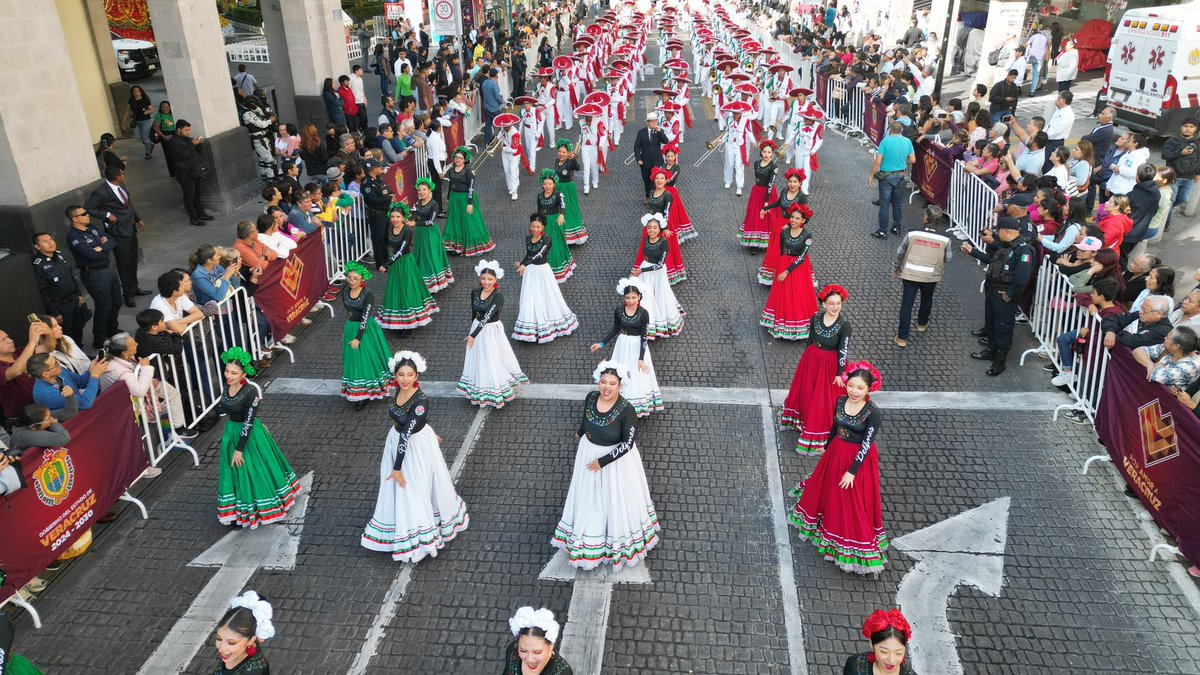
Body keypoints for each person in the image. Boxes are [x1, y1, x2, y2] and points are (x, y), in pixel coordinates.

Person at [551, 360, 661, 569]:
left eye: (612, 383)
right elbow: (586, 419)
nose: (606, 387)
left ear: (620, 385)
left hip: (614, 462)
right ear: (598, 382)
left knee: (615, 498)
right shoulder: (591, 397)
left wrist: (601, 462)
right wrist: (581, 432)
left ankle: (614, 538)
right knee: (588, 495)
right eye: (603, 382)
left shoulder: (627, 410)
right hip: (588, 453)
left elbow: (627, 444)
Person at [361, 350, 469, 562]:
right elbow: (412, 422)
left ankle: (420, 537)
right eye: (401, 374)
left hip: (414, 447)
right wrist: (429, 430)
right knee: (411, 488)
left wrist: (397, 468)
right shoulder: (401, 390)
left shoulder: (420, 402)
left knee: (414, 488)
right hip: (401, 441)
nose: (405, 379)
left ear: (417, 375)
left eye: (409, 375)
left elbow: (407, 433)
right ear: (395, 375)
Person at [789, 362, 888, 575]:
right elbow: (834, 427)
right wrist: (826, 446)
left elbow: (867, 443)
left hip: (858, 459)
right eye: (851, 385)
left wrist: (852, 471)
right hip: (836, 451)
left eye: (860, 388)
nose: (854, 391)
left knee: (851, 498)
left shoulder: (873, 413)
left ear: (869, 389)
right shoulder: (840, 401)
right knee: (830, 487)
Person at [216, 348, 301, 527]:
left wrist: (239, 449)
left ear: (244, 374)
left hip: (248, 436)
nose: (228, 375)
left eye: (234, 373)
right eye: (227, 371)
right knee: (235, 473)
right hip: (231, 432)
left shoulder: (250, 393)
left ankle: (256, 508)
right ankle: (238, 511)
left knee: (252, 470)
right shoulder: (227, 387)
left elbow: (248, 422)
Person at [782, 284, 851, 452]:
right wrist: (806, 358)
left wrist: (839, 374)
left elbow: (843, 349)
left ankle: (820, 430)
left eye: (838, 303)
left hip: (830, 365)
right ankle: (803, 420)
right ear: (824, 304)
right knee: (807, 391)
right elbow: (810, 339)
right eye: (831, 303)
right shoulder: (815, 318)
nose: (835, 307)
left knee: (823, 398)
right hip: (812, 359)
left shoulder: (845, 325)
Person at [964, 218, 1035, 376]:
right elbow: (992, 260)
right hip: (993, 290)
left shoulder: (1023, 250)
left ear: (1005, 231)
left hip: (1004, 294)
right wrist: (973, 252)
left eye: (998, 231)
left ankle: (1000, 362)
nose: (996, 234)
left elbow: (1022, 277)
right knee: (992, 322)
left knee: (1003, 326)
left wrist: (1009, 294)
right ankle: (991, 351)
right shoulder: (1007, 246)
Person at [458, 260, 528, 408]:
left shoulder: (498, 296)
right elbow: (474, 314)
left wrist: (473, 335)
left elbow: (487, 317)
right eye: (483, 278)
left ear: (495, 279)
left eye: (489, 279)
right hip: (476, 328)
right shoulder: (475, 292)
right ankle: (480, 386)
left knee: (491, 358)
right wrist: (472, 331)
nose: (486, 282)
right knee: (479, 358)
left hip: (490, 331)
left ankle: (495, 389)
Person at [97, 332, 193, 440]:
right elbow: (139, 391)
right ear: (125, 353)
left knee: (172, 396)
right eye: (133, 344)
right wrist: (146, 368)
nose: (137, 344)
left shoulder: (114, 355)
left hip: (134, 393)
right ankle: (174, 431)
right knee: (167, 404)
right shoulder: (120, 372)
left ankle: (175, 429)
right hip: (129, 404)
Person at [589, 279, 663, 417]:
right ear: (624, 297)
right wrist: (602, 343)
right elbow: (615, 329)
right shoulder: (618, 310)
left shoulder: (644, 313)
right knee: (621, 374)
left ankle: (636, 405)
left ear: (639, 297)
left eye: (634, 297)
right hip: (622, 345)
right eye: (628, 297)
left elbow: (644, 336)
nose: (631, 301)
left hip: (637, 346)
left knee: (637, 375)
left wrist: (641, 358)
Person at [337, 262, 397, 410]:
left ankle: (365, 393)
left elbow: (365, 317)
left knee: (366, 358)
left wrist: (358, 338)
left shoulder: (368, 294)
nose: (351, 281)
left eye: (355, 279)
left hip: (365, 330)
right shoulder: (345, 291)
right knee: (353, 359)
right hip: (350, 327)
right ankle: (357, 389)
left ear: (362, 280)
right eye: (349, 278)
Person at [512, 214, 579, 343]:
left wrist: (525, 264)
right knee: (530, 297)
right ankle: (531, 327)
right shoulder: (528, 238)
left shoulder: (546, 240)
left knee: (547, 296)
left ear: (543, 227)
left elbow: (539, 255)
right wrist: (521, 263)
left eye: (538, 227)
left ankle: (546, 323)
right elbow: (529, 255)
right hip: (530, 272)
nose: (535, 229)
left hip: (543, 272)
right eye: (533, 226)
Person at [892, 207, 953, 347]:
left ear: (925, 218)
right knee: (927, 299)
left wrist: (896, 268)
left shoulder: (912, 233)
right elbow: (948, 258)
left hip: (910, 274)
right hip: (931, 275)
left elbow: (900, 252)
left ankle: (902, 337)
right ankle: (922, 324)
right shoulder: (945, 238)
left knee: (907, 304)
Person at [65, 205, 122, 348]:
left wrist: (101, 247)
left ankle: (112, 329)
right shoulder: (74, 237)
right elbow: (92, 256)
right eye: (84, 214)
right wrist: (104, 249)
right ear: (75, 218)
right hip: (95, 274)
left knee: (116, 301)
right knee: (104, 306)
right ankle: (99, 339)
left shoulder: (91, 227)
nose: (87, 215)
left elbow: (111, 240)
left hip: (108, 269)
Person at [761, 204, 818, 340]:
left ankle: (796, 324)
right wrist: (780, 267)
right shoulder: (784, 232)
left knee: (797, 294)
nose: (793, 220)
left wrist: (786, 271)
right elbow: (781, 250)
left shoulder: (807, 236)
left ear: (803, 220)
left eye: (797, 218)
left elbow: (802, 257)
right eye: (792, 217)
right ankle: (781, 320)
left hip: (798, 268)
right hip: (783, 264)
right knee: (782, 294)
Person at [630, 213, 685, 338]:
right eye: (649, 228)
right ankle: (645, 323)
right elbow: (644, 256)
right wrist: (640, 269)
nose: (652, 230)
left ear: (660, 229)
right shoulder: (646, 240)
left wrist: (641, 270)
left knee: (658, 295)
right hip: (645, 271)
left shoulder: (664, 243)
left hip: (657, 274)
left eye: (655, 228)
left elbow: (660, 264)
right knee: (646, 296)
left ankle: (655, 322)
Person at [32, 232, 87, 345]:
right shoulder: (38, 264)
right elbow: (43, 292)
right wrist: (54, 313)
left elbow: (71, 277)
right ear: (37, 246)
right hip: (61, 306)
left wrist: (79, 294)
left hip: (74, 300)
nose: (50, 242)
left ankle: (80, 351)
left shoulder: (59, 256)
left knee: (78, 329)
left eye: (50, 239)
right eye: (45, 241)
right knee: (66, 335)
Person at [443, 146, 497, 256]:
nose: (458, 160)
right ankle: (455, 246)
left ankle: (471, 245)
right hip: (454, 198)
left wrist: (469, 203)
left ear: (465, 159)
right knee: (455, 221)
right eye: (456, 157)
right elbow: (451, 184)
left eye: (460, 158)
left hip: (465, 198)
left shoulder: (468, 171)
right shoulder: (451, 169)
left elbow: (471, 188)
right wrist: (448, 197)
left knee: (468, 221)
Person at [640, 169, 686, 284]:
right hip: (652, 224)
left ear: (666, 181)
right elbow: (650, 209)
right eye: (657, 178)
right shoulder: (651, 193)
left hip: (663, 225)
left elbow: (666, 213)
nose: (659, 180)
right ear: (654, 180)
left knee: (663, 250)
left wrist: (663, 228)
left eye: (662, 178)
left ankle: (666, 274)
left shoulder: (668, 195)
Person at [869, 123, 915, 239]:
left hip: (886, 176)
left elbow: (878, 161)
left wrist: (871, 175)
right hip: (900, 175)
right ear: (901, 130)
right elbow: (913, 160)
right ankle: (896, 227)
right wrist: (902, 161)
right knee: (897, 203)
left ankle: (882, 231)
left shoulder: (885, 142)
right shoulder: (907, 142)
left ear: (890, 131)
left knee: (884, 204)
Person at [410, 178, 455, 292]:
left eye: (424, 189)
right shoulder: (418, 202)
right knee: (421, 256)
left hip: (430, 234)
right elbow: (416, 214)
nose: (421, 192)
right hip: (420, 233)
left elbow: (431, 221)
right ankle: (423, 280)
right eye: (419, 190)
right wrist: (409, 218)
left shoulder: (434, 204)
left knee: (430, 256)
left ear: (430, 190)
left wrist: (415, 223)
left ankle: (434, 282)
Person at [214, 591, 274, 674]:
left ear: (251, 640)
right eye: (219, 638)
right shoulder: (235, 654)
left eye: (231, 643)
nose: (221, 648)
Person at [534, 170, 578, 282]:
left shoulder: (558, 195)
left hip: (556, 222)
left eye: (549, 184)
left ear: (554, 184)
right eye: (545, 184)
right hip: (545, 224)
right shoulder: (539, 196)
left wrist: (561, 215)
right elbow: (539, 210)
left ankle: (558, 266)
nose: (547, 186)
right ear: (542, 184)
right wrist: (538, 224)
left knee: (556, 244)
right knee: (544, 244)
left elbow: (563, 206)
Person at [167, 120, 214, 226]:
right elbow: (184, 155)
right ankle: (193, 218)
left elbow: (195, 153)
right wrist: (193, 144)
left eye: (189, 130)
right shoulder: (173, 141)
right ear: (179, 130)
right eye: (186, 130)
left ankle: (201, 213)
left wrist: (198, 144)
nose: (188, 132)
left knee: (197, 193)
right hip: (183, 172)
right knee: (189, 195)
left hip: (194, 170)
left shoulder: (188, 139)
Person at [844, 609, 917, 675]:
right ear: (871, 644)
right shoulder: (854, 666)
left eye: (898, 653)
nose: (891, 660)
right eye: (884, 652)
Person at [503, 607, 573, 675]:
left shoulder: (563, 672)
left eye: (537, 652)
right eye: (523, 651)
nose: (530, 659)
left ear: (550, 646)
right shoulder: (512, 651)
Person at [739, 141, 780, 249]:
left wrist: (766, 202)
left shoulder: (774, 167)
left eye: (769, 152)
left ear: (772, 154)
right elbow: (757, 179)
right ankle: (754, 242)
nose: (766, 154)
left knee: (768, 217)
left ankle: (768, 241)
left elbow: (770, 184)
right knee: (754, 214)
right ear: (761, 152)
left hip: (768, 193)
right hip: (756, 192)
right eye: (764, 151)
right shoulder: (756, 163)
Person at [1133, 326, 1200, 389]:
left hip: (1164, 396)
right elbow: (1138, 351)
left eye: (1167, 338)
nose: (1165, 338)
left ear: (1176, 346)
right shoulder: (1169, 347)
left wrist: (1158, 364)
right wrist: (1149, 363)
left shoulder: (1190, 366)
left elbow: (1156, 376)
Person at [1162, 117, 1200, 222]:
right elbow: (1165, 155)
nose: (1188, 129)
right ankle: (1166, 222)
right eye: (1186, 126)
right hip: (1174, 177)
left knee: (1183, 199)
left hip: (1189, 178)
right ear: (1181, 127)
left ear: (1195, 128)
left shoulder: (1198, 142)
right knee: (1171, 200)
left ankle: (1163, 211)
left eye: (1191, 127)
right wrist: (1180, 153)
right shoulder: (1172, 140)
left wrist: (1198, 173)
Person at [360, 158, 394, 269]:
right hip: (376, 214)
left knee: (385, 237)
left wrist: (390, 194)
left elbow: (385, 190)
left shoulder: (378, 179)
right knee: (378, 239)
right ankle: (380, 263)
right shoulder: (367, 184)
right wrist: (388, 198)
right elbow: (374, 201)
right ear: (373, 169)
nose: (380, 168)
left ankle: (386, 259)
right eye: (378, 166)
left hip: (384, 212)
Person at [551, 140, 587, 245]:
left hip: (567, 190)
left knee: (568, 210)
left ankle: (569, 236)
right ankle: (559, 232)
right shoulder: (556, 161)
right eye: (559, 151)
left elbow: (577, 167)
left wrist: (573, 158)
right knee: (557, 210)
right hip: (557, 188)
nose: (561, 154)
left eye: (564, 152)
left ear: (568, 153)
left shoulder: (570, 162)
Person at [633, 113, 669, 200]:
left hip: (657, 161)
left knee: (657, 181)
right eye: (652, 121)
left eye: (655, 121)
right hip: (645, 161)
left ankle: (656, 197)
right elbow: (637, 146)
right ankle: (647, 195)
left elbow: (666, 141)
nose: (654, 123)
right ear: (647, 122)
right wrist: (638, 159)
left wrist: (660, 132)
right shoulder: (641, 132)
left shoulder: (659, 131)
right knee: (646, 180)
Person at [123, 85, 155, 160]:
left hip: (146, 121)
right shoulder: (131, 100)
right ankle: (150, 144)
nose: (136, 93)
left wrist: (147, 112)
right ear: (132, 92)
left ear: (140, 92)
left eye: (138, 91)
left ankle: (148, 153)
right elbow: (128, 110)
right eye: (134, 91)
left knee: (145, 138)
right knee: (138, 137)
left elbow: (152, 110)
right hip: (136, 122)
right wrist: (124, 119)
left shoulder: (145, 100)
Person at [481, 68, 504, 142]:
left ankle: (487, 141)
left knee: (488, 124)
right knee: (501, 123)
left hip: (486, 107)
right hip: (494, 108)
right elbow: (497, 97)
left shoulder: (484, 82)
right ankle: (503, 138)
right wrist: (502, 102)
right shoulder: (494, 84)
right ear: (496, 76)